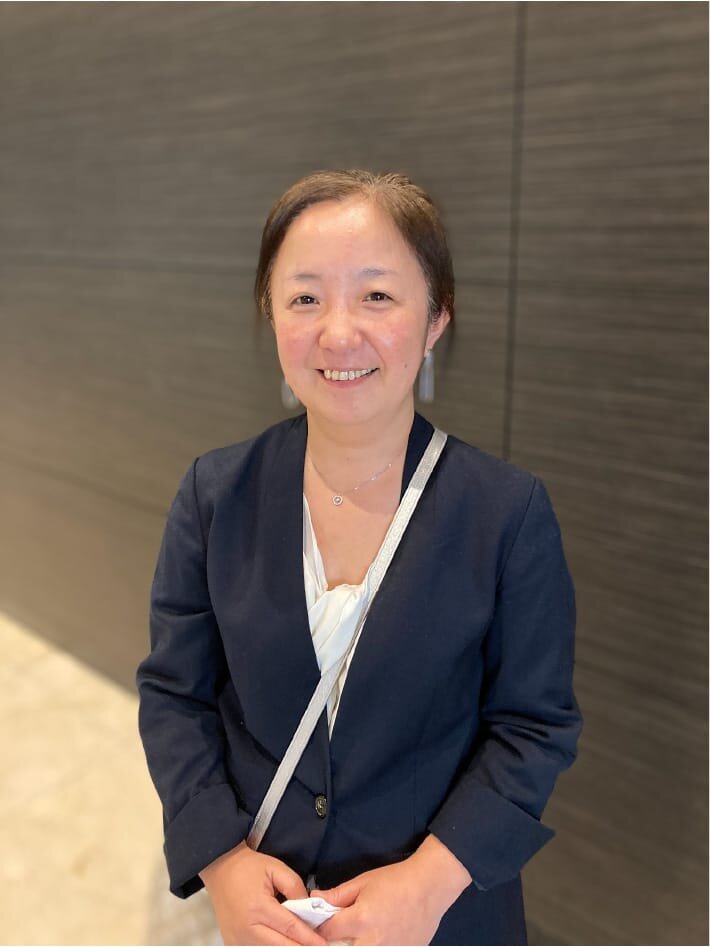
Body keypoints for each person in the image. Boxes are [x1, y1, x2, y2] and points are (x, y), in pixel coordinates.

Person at [136, 169, 582, 946]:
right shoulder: (215, 493)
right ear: (271, 312)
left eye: (376, 295)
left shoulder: (507, 513)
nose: (338, 333)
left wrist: (426, 885)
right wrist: (224, 863)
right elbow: (175, 694)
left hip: (443, 918)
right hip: (265, 915)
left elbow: (534, 727)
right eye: (305, 297)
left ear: (436, 316)